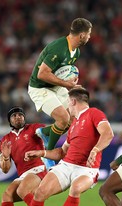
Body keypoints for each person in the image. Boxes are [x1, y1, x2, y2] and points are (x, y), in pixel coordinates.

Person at [19, 87, 114, 206]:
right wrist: (41, 152)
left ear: (72, 101)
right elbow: (61, 153)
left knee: (76, 188)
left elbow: (108, 133)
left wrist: (96, 149)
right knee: (40, 193)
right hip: (66, 165)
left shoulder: (94, 113)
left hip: (86, 170)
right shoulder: (74, 124)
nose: (67, 107)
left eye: (67, 103)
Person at [28, 18, 93, 168]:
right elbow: (42, 74)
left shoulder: (76, 52)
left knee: (74, 117)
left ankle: (44, 132)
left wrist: (71, 83)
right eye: (89, 34)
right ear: (82, 35)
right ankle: (48, 154)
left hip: (55, 87)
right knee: (63, 118)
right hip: (40, 88)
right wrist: (66, 84)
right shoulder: (59, 48)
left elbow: (62, 72)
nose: (90, 37)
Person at [0, 106, 55, 206]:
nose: (17, 117)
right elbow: (5, 169)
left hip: (38, 169)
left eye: (20, 115)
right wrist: (5, 157)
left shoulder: (34, 129)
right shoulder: (6, 139)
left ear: (24, 117)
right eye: (14, 116)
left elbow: (50, 131)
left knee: (22, 190)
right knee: (6, 195)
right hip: (23, 174)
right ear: (9, 120)